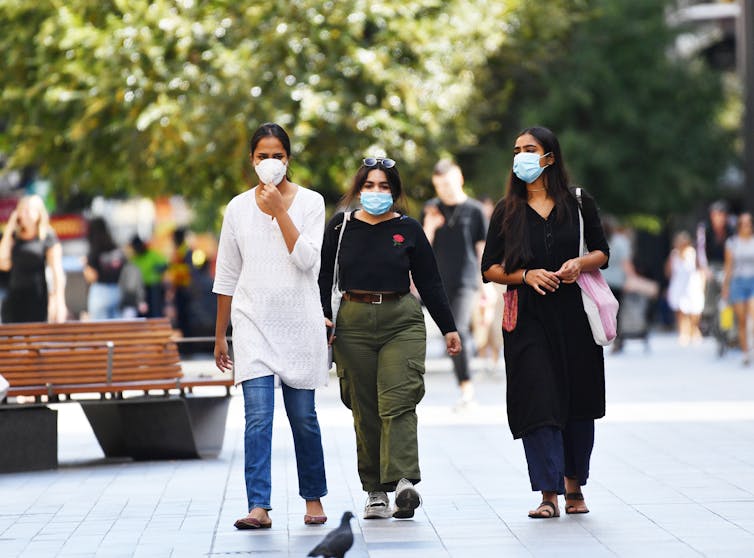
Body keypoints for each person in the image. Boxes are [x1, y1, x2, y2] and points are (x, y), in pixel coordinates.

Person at [319, 156, 461, 520]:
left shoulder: (409, 229)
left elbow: (430, 282)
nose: (376, 192)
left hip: (402, 320)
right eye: (369, 185)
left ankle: (402, 483)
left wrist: (449, 328)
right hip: (352, 322)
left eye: (384, 186)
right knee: (364, 408)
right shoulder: (341, 227)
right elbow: (322, 278)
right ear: (358, 189)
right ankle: (375, 492)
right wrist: (323, 319)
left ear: (395, 192)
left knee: (398, 400)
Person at [480, 126, 610, 519]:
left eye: (530, 149)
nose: (521, 155)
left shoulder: (579, 202)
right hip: (527, 320)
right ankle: (547, 493)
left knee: (577, 399)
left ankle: (574, 486)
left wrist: (579, 263)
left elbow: (603, 252)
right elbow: (490, 268)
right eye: (517, 149)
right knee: (538, 400)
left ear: (549, 157)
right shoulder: (507, 210)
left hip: (575, 315)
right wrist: (526, 275)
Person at [213, 122, 328, 530]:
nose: (270, 163)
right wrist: (220, 334)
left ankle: (313, 498)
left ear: (289, 160)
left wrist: (280, 212)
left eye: (277, 155)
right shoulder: (237, 208)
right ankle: (258, 506)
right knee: (258, 418)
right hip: (252, 323)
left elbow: (307, 261)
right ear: (251, 160)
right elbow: (227, 274)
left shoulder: (311, 203)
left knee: (304, 418)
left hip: (299, 323)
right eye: (262, 156)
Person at [422, 160, 488, 409]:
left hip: (466, 280)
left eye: (447, 184)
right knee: (450, 333)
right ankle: (465, 384)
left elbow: (482, 249)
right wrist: (429, 227)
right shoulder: (431, 209)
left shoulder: (475, 210)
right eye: (439, 186)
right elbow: (420, 251)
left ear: (459, 178)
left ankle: (467, 388)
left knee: (456, 329)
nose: (444, 190)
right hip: (437, 283)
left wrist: (486, 286)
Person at [0, 195, 67, 323]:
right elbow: (2, 260)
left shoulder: (47, 236)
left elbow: (57, 271)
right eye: (21, 210)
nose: (24, 214)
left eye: (28, 210)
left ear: (39, 213)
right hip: (14, 296)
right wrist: (9, 227)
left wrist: (59, 302)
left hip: (37, 296)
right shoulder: (13, 236)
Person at [721, 212, 754, 365]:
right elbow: (728, 266)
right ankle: (745, 352)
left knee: (753, 316)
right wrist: (726, 286)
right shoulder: (732, 243)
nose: (746, 226)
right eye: (743, 223)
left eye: (749, 223)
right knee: (741, 320)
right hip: (738, 282)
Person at [665, 231, 705, 346]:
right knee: (680, 310)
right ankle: (683, 331)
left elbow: (700, 269)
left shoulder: (694, 253)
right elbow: (669, 271)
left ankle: (694, 330)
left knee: (695, 310)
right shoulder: (674, 254)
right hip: (678, 285)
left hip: (692, 285)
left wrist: (702, 284)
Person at [601, 217, 635, 353]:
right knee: (617, 313)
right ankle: (617, 339)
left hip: (601, 281)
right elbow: (625, 263)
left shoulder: (595, 241)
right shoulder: (621, 242)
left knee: (601, 312)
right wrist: (631, 278)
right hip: (617, 282)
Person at [83, 217, 126, 320]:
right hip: (116, 289)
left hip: (100, 291)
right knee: (116, 327)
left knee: (99, 329)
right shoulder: (115, 249)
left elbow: (92, 276)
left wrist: (84, 265)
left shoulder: (95, 250)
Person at [128, 235, 167, 317]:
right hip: (141, 288)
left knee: (155, 310)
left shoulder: (152, 254)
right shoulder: (134, 259)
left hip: (154, 286)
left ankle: (157, 328)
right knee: (142, 312)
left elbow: (164, 264)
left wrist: (158, 270)